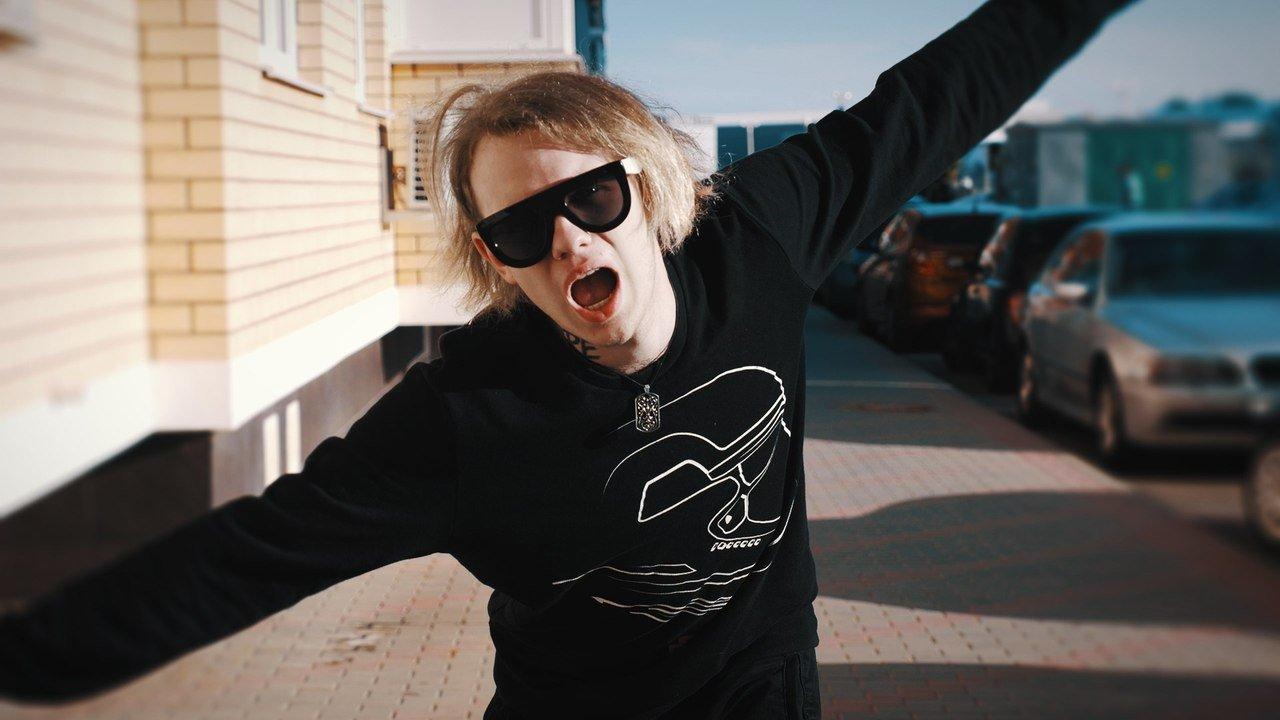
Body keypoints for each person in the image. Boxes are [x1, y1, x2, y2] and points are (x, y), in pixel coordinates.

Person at [0, 1, 1134, 717]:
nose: (568, 243)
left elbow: (934, 98)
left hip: (761, 686)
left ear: (649, 187)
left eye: (589, 198)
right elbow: (241, 558)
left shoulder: (756, 236)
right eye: (518, 229)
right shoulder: (464, 417)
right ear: (494, 260)